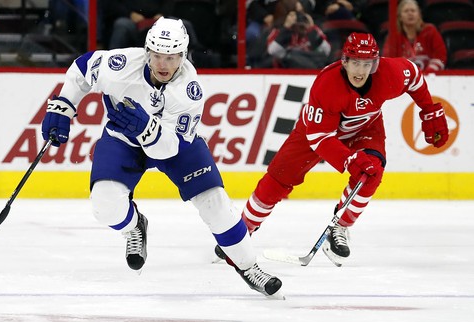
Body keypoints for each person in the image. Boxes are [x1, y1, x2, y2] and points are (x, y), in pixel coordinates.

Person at [40, 17, 283, 297]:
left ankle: (249, 266)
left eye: (171, 57)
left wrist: (145, 127)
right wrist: (63, 106)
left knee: (215, 203)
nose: (163, 65)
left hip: (175, 145)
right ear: (147, 52)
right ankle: (134, 227)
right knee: (103, 205)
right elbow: (83, 69)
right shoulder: (121, 65)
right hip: (123, 140)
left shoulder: (189, 91)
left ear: (183, 55)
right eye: (157, 56)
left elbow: (169, 148)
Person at [215, 32, 449, 266]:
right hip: (316, 133)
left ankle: (340, 228)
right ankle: (241, 233)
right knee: (276, 181)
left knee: (372, 171)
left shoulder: (390, 74)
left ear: (375, 64)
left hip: (365, 128)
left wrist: (429, 110)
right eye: (355, 63)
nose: (360, 71)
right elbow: (320, 138)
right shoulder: (327, 84)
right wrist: (348, 160)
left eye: (367, 64)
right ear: (344, 61)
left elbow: (415, 76)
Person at [382, 0, 446, 74]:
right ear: (400, 17)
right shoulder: (393, 37)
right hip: (404, 79)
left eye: (413, 10)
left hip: (430, 78)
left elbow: (440, 55)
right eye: (406, 11)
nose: (410, 13)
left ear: (419, 14)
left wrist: (427, 73)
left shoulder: (430, 31)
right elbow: (388, 61)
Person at [266, 9, 331, 68]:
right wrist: (286, 30)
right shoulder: (279, 31)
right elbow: (272, 51)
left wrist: (312, 29)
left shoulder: (313, 30)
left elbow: (326, 51)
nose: (299, 24)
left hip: (312, 64)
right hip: (288, 67)